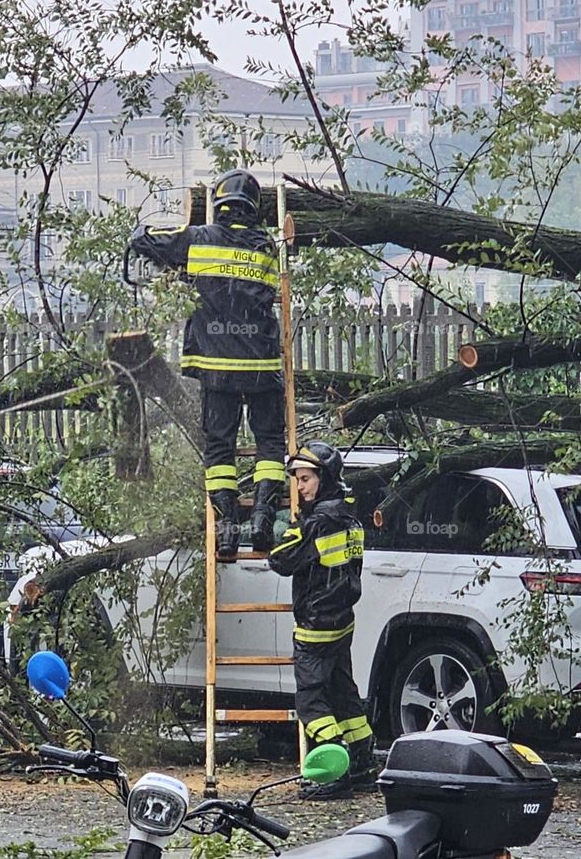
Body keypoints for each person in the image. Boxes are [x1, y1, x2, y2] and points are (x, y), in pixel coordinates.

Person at [129, 169, 285, 560]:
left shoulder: (199, 240)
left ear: (218, 205)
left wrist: (140, 237)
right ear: (253, 208)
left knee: (220, 448)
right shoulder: (267, 247)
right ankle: (264, 518)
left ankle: (229, 531)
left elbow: (155, 246)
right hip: (263, 365)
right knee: (270, 442)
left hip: (216, 367)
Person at [268, 440, 375, 799]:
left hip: (315, 626)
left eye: (305, 479)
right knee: (344, 695)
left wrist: (285, 523)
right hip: (342, 622)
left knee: (312, 702)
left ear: (324, 477)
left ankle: (332, 774)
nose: (299, 487)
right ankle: (362, 765)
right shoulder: (351, 517)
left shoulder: (317, 522)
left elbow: (280, 560)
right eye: (297, 480)